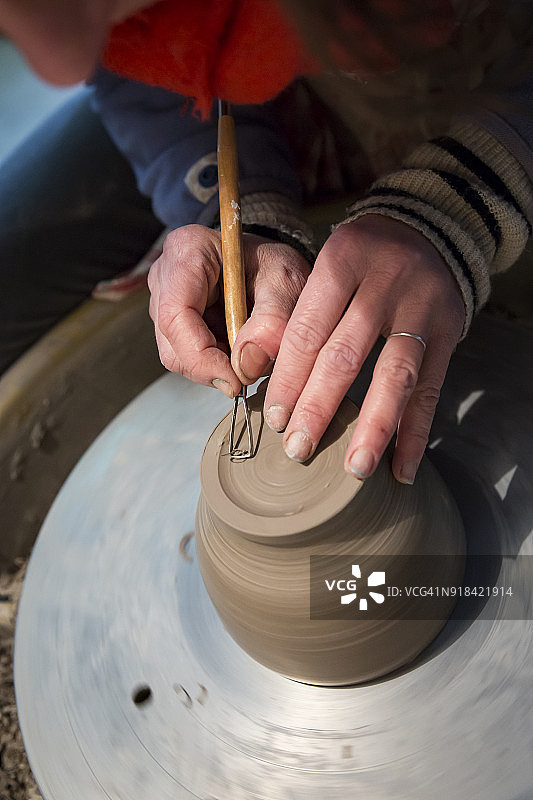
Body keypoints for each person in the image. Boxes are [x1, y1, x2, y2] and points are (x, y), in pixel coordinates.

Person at [1, 0, 532, 486]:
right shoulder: (76, 38)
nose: (56, 70)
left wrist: (458, 199)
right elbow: (127, 78)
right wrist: (243, 214)